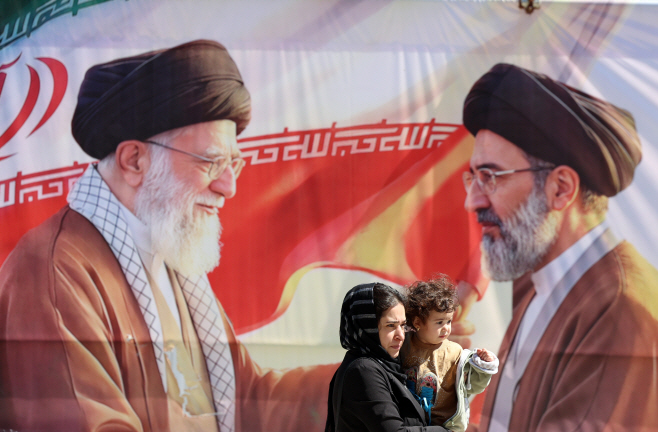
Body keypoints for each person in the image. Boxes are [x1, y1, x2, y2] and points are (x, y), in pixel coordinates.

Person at [0, 39, 335, 432]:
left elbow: (246, 404)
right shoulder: (52, 271)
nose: (228, 187)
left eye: (233, 163)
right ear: (134, 161)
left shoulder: (169, 257)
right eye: (211, 162)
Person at [461, 63, 658, 431]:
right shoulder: (538, 288)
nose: (472, 201)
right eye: (472, 178)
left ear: (561, 189)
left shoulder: (619, 308)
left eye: (490, 177)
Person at [325, 282, 450, 432]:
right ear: (367, 326)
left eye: (403, 325)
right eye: (391, 326)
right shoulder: (363, 371)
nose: (401, 335)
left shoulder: (387, 365)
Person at [401, 275, 498, 432]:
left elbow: (472, 387)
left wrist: (483, 367)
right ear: (418, 322)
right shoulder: (404, 344)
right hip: (410, 422)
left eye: (449, 321)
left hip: (444, 426)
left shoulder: (455, 352)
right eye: (439, 322)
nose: (446, 328)